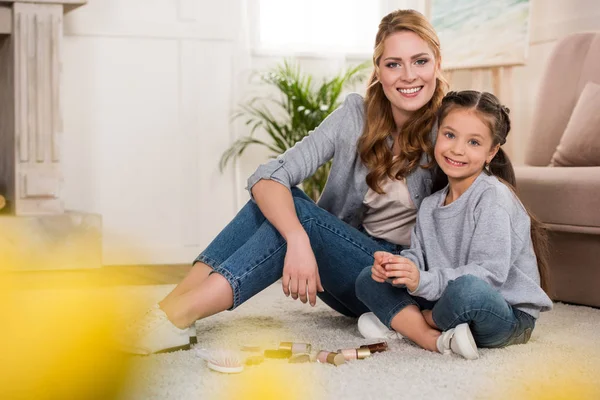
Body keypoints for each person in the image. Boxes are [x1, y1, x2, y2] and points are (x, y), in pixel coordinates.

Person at [118, 9, 448, 355]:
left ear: (437, 63)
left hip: (401, 282)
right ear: (378, 70)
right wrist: (297, 240)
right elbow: (268, 176)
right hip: (350, 265)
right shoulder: (355, 116)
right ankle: (167, 312)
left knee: (299, 217)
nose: (408, 75)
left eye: (420, 61)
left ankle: (177, 315)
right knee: (278, 200)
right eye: (394, 64)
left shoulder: (451, 127)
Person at [355, 90, 554, 360]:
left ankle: (413, 323)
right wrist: (397, 268)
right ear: (437, 133)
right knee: (368, 278)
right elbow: (419, 258)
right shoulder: (430, 205)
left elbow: (489, 277)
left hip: (503, 314)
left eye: (474, 142)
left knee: (468, 290)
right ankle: (437, 337)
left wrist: (422, 282)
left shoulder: (492, 197)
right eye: (449, 135)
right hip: (447, 301)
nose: (457, 149)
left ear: (491, 151)